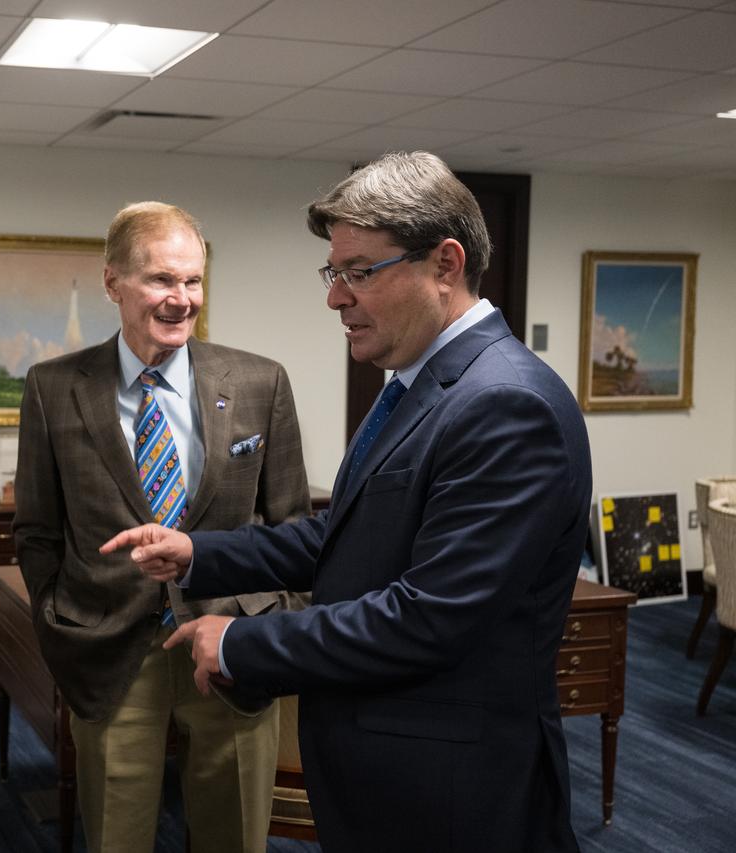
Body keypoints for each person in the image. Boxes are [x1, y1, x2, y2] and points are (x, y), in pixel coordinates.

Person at [103, 153, 592, 853]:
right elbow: (345, 534)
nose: (336, 297)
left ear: (445, 265)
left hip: (452, 790)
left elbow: (429, 619)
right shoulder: (416, 385)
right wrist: (198, 554)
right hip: (390, 770)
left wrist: (240, 640)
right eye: (333, 274)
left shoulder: (505, 403)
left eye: (359, 271)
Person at [13, 201, 311, 853]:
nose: (181, 299)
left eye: (193, 280)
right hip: (112, 647)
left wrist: (267, 621)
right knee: (117, 837)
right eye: (161, 280)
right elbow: (36, 531)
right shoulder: (52, 387)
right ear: (113, 282)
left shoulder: (261, 383)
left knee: (234, 835)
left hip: (232, 642)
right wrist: (60, 619)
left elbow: (292, 528)